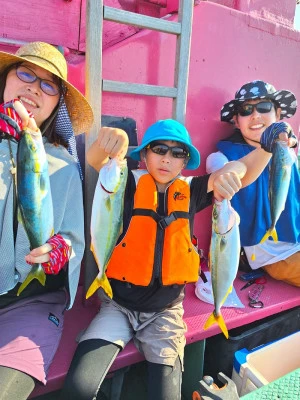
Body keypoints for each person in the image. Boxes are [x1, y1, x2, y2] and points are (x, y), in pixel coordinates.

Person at [60, 117, 286, 400]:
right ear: (144, 155)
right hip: (116, 306)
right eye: (159, 149)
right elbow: (94, 159)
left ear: (184, 162)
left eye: (177, 153)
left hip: (165, 314)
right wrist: (112, 137)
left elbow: (244, 174)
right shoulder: (123, 180)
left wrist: (248, 159)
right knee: (77, 389)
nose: (167, 158)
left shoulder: (192, 191)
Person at [0, 41, 93, 399]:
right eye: (25, 73)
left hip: (30, 305)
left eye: (48, 84)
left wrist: (61, 250)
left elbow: (72, 236)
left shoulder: (64, 163)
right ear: (6, 79)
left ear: (57, 103)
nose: (34, 87)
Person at [206, 80, 300, 287]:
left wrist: (287, 143)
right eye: (246, 110)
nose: (255, 115)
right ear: (236, 121)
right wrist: (269, 146)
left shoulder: (289, 153)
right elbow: (226, 176)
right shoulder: (220, 158)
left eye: (264, 107)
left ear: (278, 113)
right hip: (275, 255)